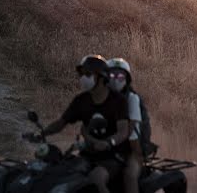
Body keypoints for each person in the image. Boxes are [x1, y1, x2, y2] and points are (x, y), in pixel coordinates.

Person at [39, 55, 130, 193]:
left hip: (113, 157)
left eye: (87, 74)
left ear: (100, 77)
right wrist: (41, 133)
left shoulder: (118, 101)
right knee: (60, 174)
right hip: (88, 155)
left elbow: (123, 131)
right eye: (81, 74)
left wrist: (109, 143)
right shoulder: (81, 100)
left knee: (96, 179)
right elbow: (61, 123)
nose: (82, 78)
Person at [107, 58, 144, 193]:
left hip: (131, 148)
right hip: (109, 147)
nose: (115, 79)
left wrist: (109, 142)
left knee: (129, 176)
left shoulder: (131, 98)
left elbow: (131, 131)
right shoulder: (102, 98)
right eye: (111, 75)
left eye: (120, 76)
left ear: (127, 79)